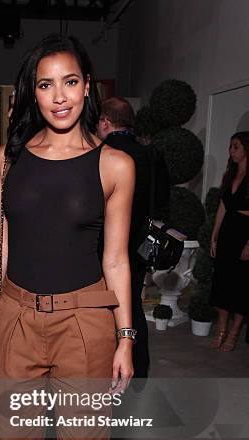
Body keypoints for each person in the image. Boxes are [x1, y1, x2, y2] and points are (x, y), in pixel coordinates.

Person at [0, 34, 135, 440]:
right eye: (46, 84)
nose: (59, 96)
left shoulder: (115, 164)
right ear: (33, 93)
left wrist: (126, 338)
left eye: (70, 82)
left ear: (87, 87)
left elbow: (116, 258)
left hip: (86, 321)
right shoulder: (8, 160)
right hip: (16, 314)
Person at [97, 96, 170, 379]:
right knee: (132, 304)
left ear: (105, 122)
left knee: (101, 308)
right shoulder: (151, 155)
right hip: (140, 244)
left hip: (102, 243)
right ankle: (138, 369)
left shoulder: (100, 153)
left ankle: (104, 366)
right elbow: (163, 200)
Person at [209, 131, 249, 351]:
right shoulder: (229, 175)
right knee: (222, 284)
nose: (231, 151)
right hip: (227, 233)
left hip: (244, 234)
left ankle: (234, 334)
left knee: (241, 286)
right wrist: (215, 235)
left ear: (246, 149)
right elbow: (223, 207)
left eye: (235, 147)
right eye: (230, 147)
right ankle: (222, 329)